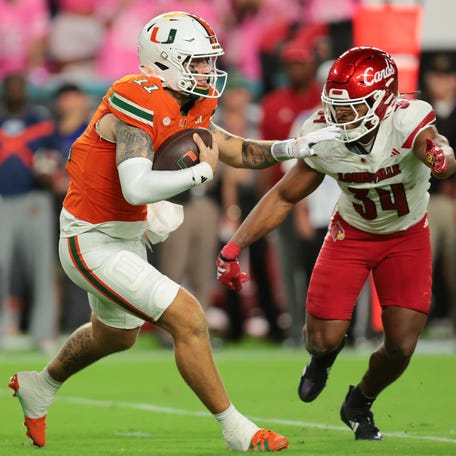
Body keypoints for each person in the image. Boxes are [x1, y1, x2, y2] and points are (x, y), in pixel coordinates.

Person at [8, 11, 339, 451]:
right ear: (164, 61)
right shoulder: (137, 97)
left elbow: (231, 148)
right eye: (199, 61)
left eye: (209, 61)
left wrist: (295, 147)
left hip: (127, 235)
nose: (209, 71)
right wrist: (200, 175)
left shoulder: (192, 101)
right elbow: (137, 183)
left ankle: (41, 385)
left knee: (116, 335)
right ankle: (237, 429)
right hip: (90, 238)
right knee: (188, 317)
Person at [217, 46, 456, 441]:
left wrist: (441, 156)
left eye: (352, 107)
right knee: (321, 338)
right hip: (351, 234)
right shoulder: (323, 135)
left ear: (382, 100)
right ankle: (322, 359)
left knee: (400, 346)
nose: (340, 117)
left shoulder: (409, 120)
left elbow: (436, 146)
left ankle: (359, 401)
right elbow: (283, 195)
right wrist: (233, 246)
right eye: (335, 106)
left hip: (407, 235)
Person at [0, 72, 59, 353]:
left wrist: (48, 171)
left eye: (19, 86)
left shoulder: (40, 120)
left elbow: (52, 157)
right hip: (2, 200)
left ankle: (43, 331)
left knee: (41, 267)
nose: (14, 91)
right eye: (10, 87)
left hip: (34, 199)